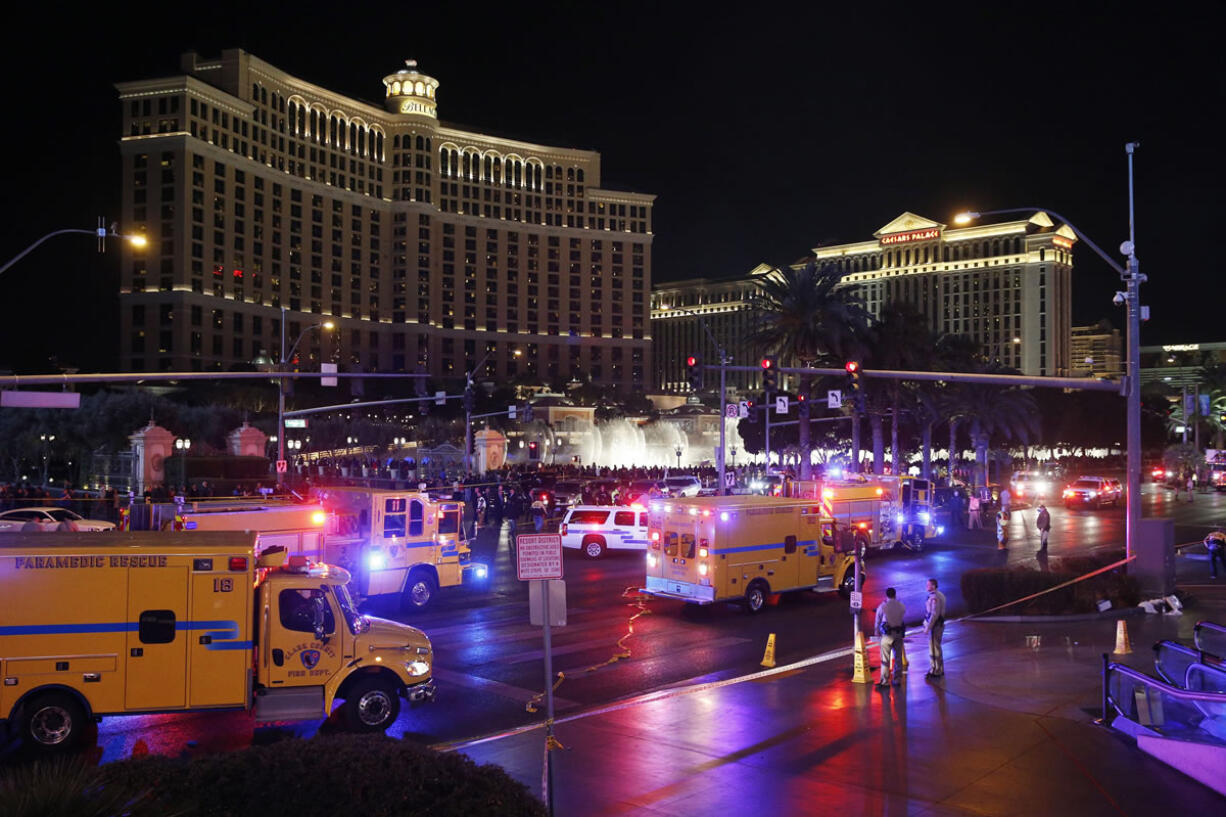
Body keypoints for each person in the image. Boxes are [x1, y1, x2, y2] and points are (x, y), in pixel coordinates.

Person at [874, 587, 906, 687]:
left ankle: (885, 681)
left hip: (887, 635)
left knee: (885, 658)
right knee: (898, 658)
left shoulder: (883, 606)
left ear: (886, 595)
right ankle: (897, 679)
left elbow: (878, 620)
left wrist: (877, 632)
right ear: (895, 595)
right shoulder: (900, 605)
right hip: (898, 634)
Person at [923, 578, 947, 679]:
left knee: (934, 648)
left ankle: (936, 670)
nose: (926, 586)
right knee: (936, 647)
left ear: (933, 586)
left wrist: (928, 627)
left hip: (935, 626)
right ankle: (937, 668)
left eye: (928, 585)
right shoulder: (940, 595)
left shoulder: (934, 597)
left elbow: (934, 614)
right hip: (938, 625)